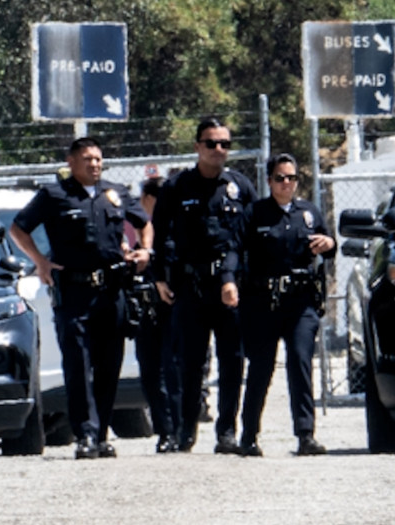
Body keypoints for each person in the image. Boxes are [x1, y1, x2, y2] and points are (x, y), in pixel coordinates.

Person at [10, 137, 152, 459]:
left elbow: (145, 223)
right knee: (78, 363)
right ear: (71, 162)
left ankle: (101, 435)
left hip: (112, 291)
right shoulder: (55, 195)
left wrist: (145, 250)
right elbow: (19, 229)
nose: (94, 164)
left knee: (109, 364)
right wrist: (40, 262)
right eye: (87, 159)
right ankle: (85, 434)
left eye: (99, 159)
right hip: (74, 292)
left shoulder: (114, 193)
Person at [152, 118, 257, 453]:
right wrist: (159, 277)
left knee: (232, 361)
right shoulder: (176, 187)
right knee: (190, 363)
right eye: (211, 143)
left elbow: (252, 237)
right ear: (197, 146)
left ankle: (226, 431)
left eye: (225, 144)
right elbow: (160, 234)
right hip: (191, 286)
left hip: (231, 289)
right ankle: (185, 430)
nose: (219, 150)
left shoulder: (240, 186)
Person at [236, 153, 336, 457]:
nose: (286, 184)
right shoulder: (254, 214)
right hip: (263, 303)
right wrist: (230, 282)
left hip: (300, 302)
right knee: (261, 369)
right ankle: (249, 436)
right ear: (269, 181)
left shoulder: (308, 213)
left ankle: (306, 434)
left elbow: (329, 244)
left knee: (300, 361)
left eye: (291, 178)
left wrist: (329, 244)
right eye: (280, 178)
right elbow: (235, 249)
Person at [132, 176, 182, 453]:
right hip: (146, 310)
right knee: (150, 371)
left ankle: (176, 430)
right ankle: (165, 430)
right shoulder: (141, 233)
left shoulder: (172, 231)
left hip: (171, 310)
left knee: (171, 370)